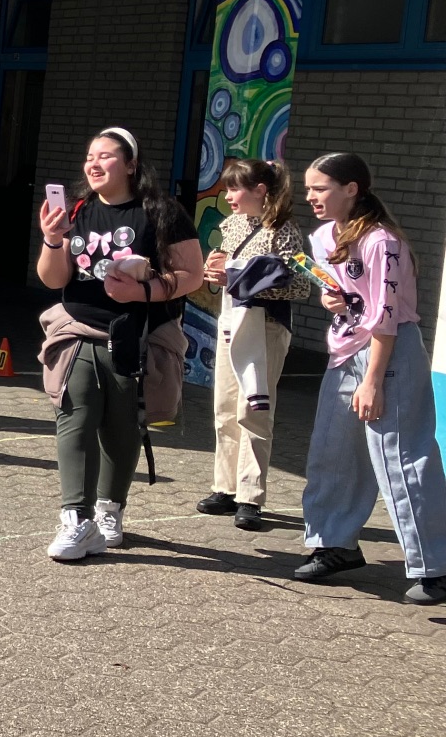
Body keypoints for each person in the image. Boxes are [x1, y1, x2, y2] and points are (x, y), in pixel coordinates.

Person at [35, 128, 204, 561]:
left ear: (130, 165)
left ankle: (110, 509)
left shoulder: (162, 212)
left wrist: (142, 291)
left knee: (123, 426)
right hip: (78, 329)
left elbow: (192, 275)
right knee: (75, 417)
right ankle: (77, 519)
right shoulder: (77, 210)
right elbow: (53, 279)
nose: (94, 164)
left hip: (138, 335)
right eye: (90, 156)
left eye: (106, 156)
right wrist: (52, 239)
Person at [291, 153, 446, 604]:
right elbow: (343, 293)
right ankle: (334, 544)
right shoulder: (322, 237)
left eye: (320, 188)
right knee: (332, 449)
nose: (311, 196)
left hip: (388, 351)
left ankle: (435, 565)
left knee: (402, 456)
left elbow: (388, 316)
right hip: (345, 350)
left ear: (351, 188)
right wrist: (332, 300)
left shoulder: (383, 242)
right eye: (308, 188)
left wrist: (374, 380)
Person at [196, 158, 312, 530]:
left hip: (266, 326)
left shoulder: (284, 228)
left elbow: (300, 284)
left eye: (235, 188)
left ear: (260, 191)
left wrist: (242, 278)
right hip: (232, 322)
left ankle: (250, 496)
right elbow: (227, 275)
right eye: (227, 188)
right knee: (225, 407)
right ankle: (225, 488)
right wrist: (216, 269)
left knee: (254, 410)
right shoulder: (232, 225)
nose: (228, 196)